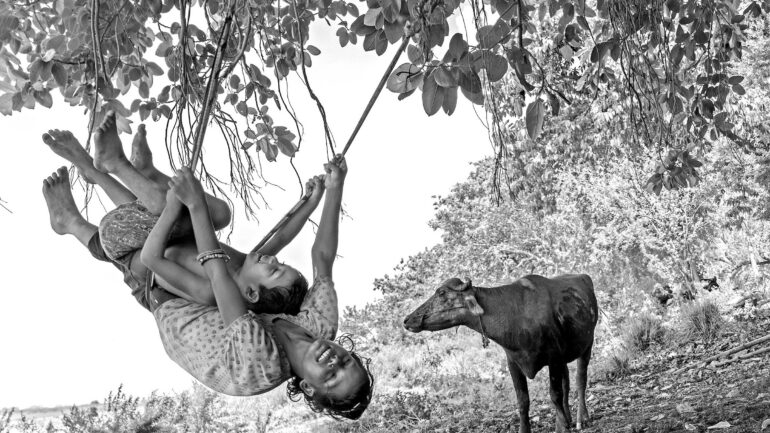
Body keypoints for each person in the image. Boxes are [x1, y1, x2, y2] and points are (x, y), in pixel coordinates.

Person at [42, 115, 374, 419]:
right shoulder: (320, 325)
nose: (334, 361)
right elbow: (322, 260)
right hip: (206, 289)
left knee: (168, 236)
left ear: (308, 388)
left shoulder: (263, 361)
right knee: (211, 239)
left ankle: (83, 203)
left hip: (174, 306)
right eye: (345, 361)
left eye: (331, 376)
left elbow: (215, 274)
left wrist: (195, 202)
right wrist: (333, 190)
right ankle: (106, 182)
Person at [42, 113, 316, 314]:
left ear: (251, 292)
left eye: (275, 270)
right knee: (218, 213)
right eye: (280, 262)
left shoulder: (209, 290)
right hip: (154, 235)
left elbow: (151, 259)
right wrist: (312, 201)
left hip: (138, 262)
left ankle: (107, 176)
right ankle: (107, 170)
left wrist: (179, 207)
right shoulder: (244, 265)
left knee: (166, 210)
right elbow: (281, 237)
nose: (272, 258)